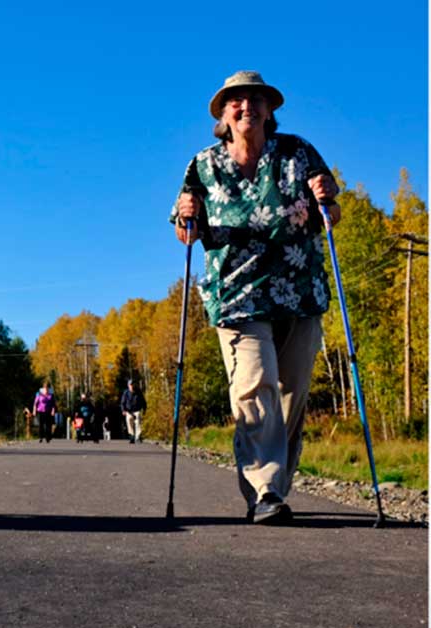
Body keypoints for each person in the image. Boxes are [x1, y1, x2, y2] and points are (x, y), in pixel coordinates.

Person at [171, 71, 340, 525]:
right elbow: (185, 232)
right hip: (237, 294)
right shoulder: (202, 165)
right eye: (235, 102)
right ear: (223, 115)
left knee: (291, 394)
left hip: (300, 290)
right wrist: (186, 215)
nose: (246, 107)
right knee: (254, 383)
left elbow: (331, 211)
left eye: (255, 100)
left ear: (269, 110)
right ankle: (265, 489)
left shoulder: (297, 152)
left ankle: (275, 488)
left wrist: (327, 196)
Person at [120, 379, 146, 443]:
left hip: (137, 410)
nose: (132, 386)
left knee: (138, 422)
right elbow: (122, 402)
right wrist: (123, 410)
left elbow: (143, 401)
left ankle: (138, 436)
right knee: (129, 421)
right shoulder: (126, 393)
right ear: (128, 385)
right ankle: (131, 436)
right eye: (130, 385)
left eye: (133, 384)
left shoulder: (138, 392)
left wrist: (144, 409)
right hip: (128, 411)